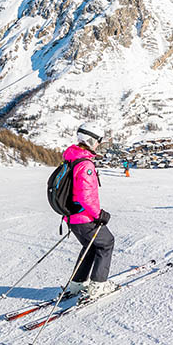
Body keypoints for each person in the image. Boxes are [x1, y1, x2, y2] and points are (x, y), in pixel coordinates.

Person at [62, 122, 116, 301]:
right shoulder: (85, 165)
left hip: (72, 216)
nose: (98, 145)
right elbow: (85, 196)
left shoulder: (71, 158)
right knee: (106, 242)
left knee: (90, 246)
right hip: (84, 216)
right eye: (98, 141)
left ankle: (77, 284)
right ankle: (98, 285)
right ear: (92, 140)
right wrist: (99, 214)